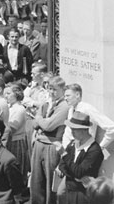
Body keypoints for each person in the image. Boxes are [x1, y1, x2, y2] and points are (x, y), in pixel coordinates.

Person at [30, 76, 70, 204]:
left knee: (49, 182)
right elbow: (35, 124)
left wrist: (39, 117)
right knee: (36, 181)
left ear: (63, 90)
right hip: (39, 143)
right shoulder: (48, 103)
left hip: (51, 146)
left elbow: (49, 125)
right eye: (50, 89)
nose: (52, 92)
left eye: (55, 90)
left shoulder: (64, 106)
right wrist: (40, 119)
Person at [56, 112, 104, 204]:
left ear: (84, 130)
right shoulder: (73, 143)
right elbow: (62, 165)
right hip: (70, 188)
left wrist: (65, 155)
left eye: (75, 129)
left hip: (82, 193)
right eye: (71, 129)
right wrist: (76, 177)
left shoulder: (94, 150)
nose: (72, 132)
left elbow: (79, 172)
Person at [61, 84, 114, 158]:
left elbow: (112, 128)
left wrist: (99, 148)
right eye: (65, 96)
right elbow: (67, 133)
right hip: (70, 153)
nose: (65, 98)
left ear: (77, 95)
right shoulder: (71, 110)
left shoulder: (87, 109)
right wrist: (65, 151)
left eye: (68, 96)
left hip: (84, 153)